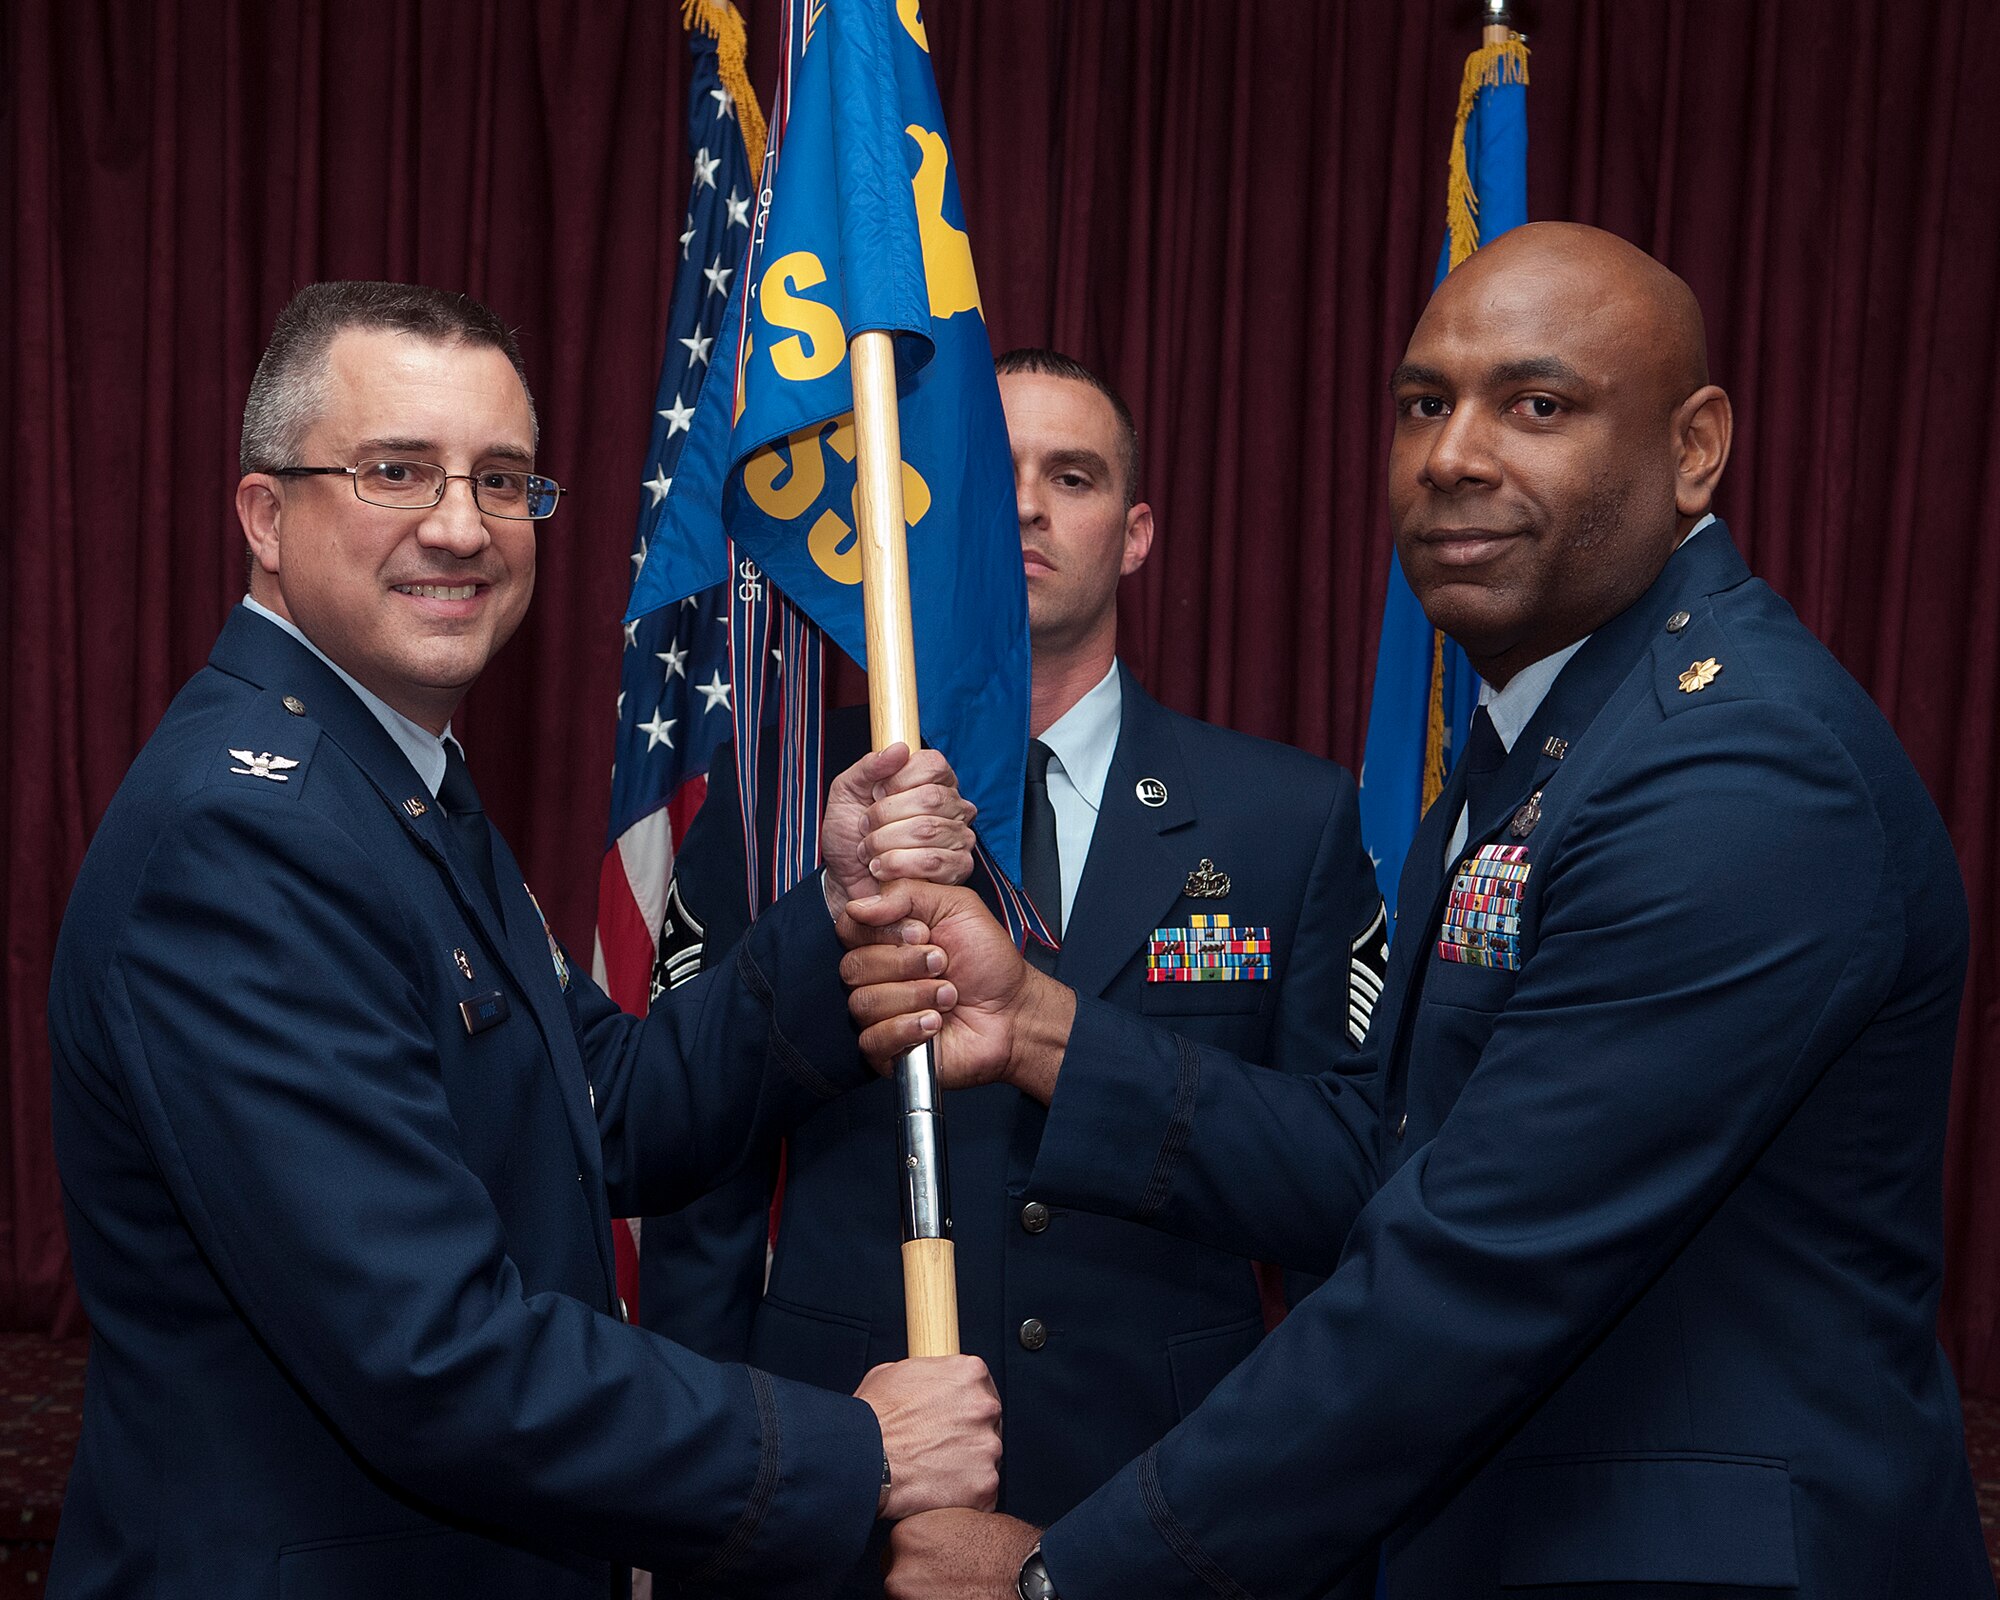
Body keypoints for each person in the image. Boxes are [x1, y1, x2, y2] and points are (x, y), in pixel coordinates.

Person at [841, 225, 1994, 1599]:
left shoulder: (1738, 773)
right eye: (1422, 406)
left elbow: (1471, 1273)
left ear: (1695, 450)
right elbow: (1387, 1172)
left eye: (1539, 405)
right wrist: (1039, 1027)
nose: (1453, 454)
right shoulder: (1544, 750)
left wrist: (1069, 1576)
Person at [45, 281, 1003, 1600]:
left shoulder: (385, 777)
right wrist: (855, 1452)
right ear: (265, 517)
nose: (461, 526)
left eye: (503, 482)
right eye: (396, 472)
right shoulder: (246, 837)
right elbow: (432, 1356)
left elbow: (601, 1103)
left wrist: (832, 912)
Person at [640, 349, 1385, 1590]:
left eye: (1074, 476)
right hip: (838, 1489)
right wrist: (712, 1498)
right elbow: (693, 1181)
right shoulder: (793, 806)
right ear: (931, 506)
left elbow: (1341, 1181)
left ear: (1135, 531)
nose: (1029, 505)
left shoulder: (1285, 820)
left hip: (1163, 1492)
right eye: (997, 473)